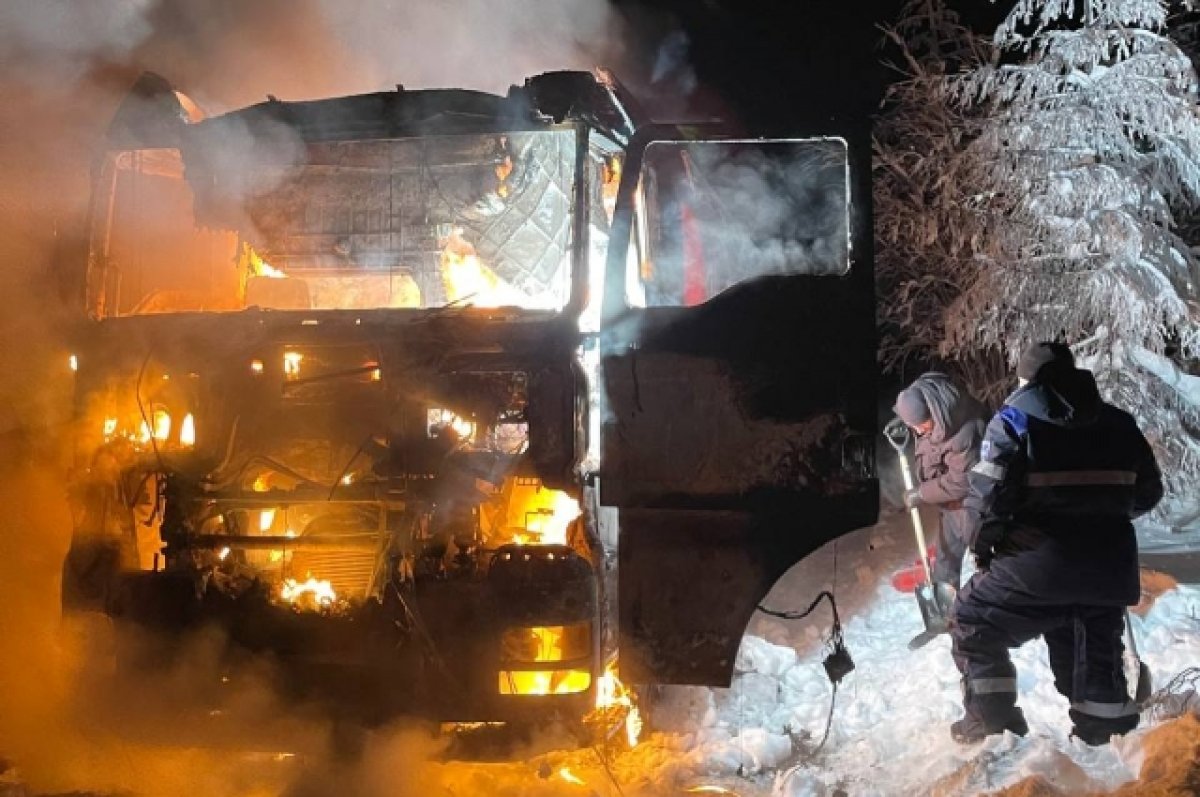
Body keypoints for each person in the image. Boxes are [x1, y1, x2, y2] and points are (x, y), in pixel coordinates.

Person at [950, 342, 1164, 745]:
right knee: (1091, 625)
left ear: (1027, 379)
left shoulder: (1014, 421)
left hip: (1035, 565)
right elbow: (1149, 492)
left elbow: (988, 497)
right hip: (1107, 570)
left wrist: (982, 545)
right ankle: (1107, 731)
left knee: (972, 617)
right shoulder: (1120, 423)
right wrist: (1103, 520)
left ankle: (993, 722)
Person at [892, 372, 988, 601]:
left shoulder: (965, 430)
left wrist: (921, 493)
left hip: (975, 503)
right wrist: (907, 423)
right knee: (946, 557)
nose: (917, 432)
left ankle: (982, 611)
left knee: (986, 560)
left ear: (933, 412)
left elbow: (961, 482)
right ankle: (944, 612)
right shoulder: (930, 404)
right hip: (951, 504)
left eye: (920, 425)